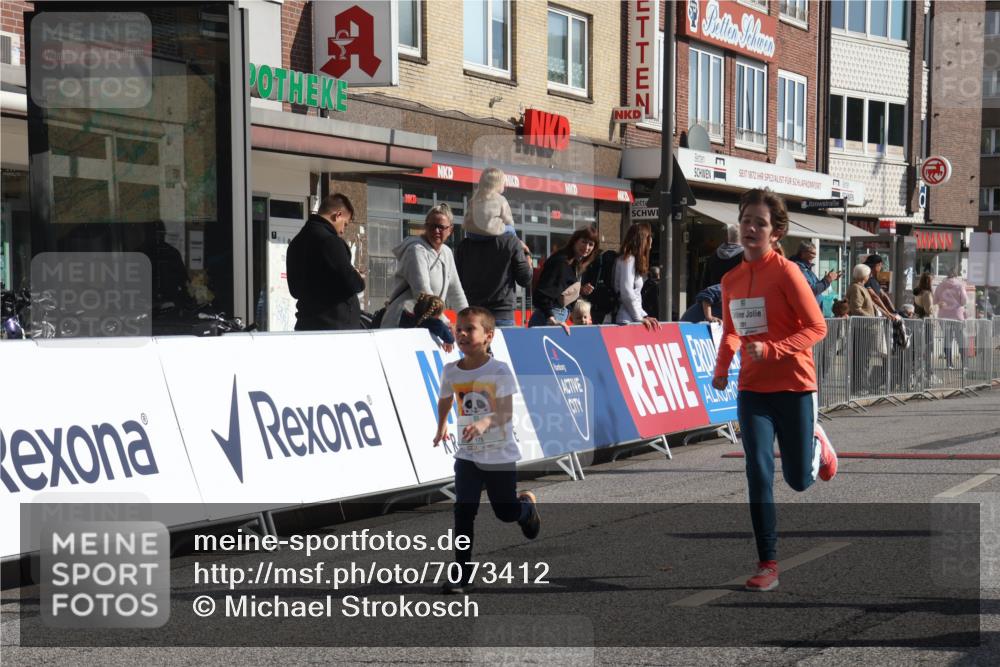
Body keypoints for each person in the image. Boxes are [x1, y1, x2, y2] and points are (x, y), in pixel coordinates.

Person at [711, 188, 836, 593]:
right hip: (753, 390)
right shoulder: (730, 279)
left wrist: (774, 348)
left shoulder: (787, 273)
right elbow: (731, 332)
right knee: (758, 472)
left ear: (776, 231)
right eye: (746, 220)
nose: (750, 228)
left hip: (795, 385)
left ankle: (817, 443)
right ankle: (768, 563)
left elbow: (818, 327)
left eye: (759, 223)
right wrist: (722, 368)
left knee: (799, 480)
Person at [433, 307, 541, 594]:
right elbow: (445, 399)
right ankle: (462, 574)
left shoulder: (499, 370)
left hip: (499, 456)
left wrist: (484, 422)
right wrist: (441, 425)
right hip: (468, 455)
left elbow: (505, 412)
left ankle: (526, 508)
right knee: (463, 511)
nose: (462, 334)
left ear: (488, 336)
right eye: (459, 329)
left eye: (470, 329)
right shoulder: (451, 371)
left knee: (505, 512)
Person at [381, 204, 468, 330]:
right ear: (425, 226)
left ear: (450, 230)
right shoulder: (416, 250)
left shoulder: (447, 252)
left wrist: (469, 320)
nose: (436, 231)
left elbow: (456, 291)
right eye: (432, 226)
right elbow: (422, 293)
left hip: (429, 322)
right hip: (403, 322)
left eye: (441, 227)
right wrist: (446, 323)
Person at [286, 193, 365, 331]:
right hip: (334, 328)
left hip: (306, 324)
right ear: (337, 215)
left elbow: (295, 291)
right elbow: (352, 283)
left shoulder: (296, 243)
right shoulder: (330, 241)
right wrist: (357, 276)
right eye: (345, 224)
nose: (342, 231)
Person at [455, 205, 534, 327]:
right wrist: (527, 253)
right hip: (501, 313)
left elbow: (457, 281)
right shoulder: (511, 241)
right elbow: (525, 279)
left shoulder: (464, 245)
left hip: (473, 312)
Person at [529, 227, 598, 333]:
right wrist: (551, 318)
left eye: (591, 244)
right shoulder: (561, 262)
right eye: (583, 242)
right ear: (575, 241)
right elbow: (542, 292)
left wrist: (580, 290)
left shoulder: (573, 262)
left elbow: (560, 290)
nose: (586, 247)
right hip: (550, 318)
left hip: (555, 316)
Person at [614, 222, 660, 330]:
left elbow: (634, 294)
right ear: (643, 239)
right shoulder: (629, 259)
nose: (651, 239)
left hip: (630, 318)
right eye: (650, 236)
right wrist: (639, 317)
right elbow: (627, 292)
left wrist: (643, 315)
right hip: (626, 320)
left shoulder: (631, 259)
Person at [465, 167, 515, 237]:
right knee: (511, 229)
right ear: (498, 184)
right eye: (504, 183)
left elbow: (468, 218)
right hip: (490, 233)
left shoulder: (474, 199)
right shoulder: (501, 199)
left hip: (473, 235)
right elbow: (508, 220)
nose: (505, 185)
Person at [934, 268, 968, 369]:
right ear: (956, 275)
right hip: (957, 316)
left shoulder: (940, 286)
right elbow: (964, 301)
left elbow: (935, 300)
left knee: (947, 340)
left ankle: (949, 363)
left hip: (944, 316)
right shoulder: (960, 285)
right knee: (960, 340)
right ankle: (964, 365)